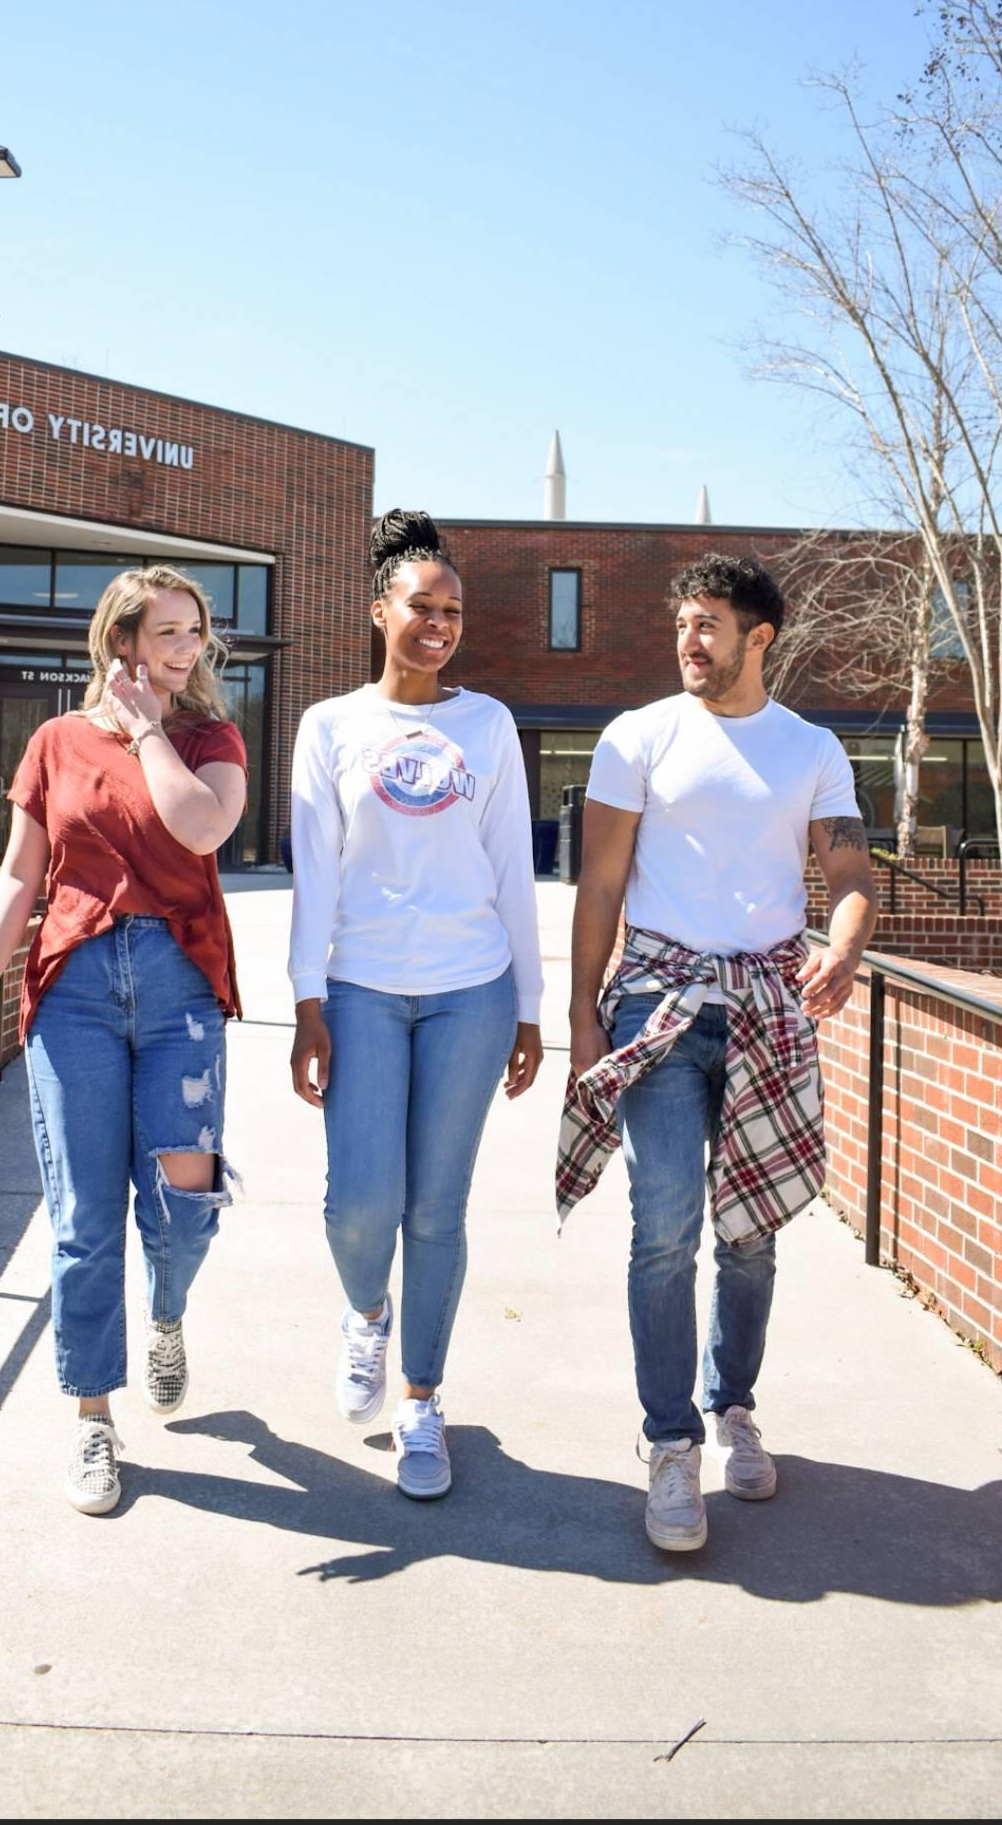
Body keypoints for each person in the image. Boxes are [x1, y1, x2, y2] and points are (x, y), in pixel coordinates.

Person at [563, 552, 877, 1553]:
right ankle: (669, 1443)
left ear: (758, 638)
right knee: (664, 1223)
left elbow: (849, 865)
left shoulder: (811, 748)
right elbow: (601, 887)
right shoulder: (637, 737)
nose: (689, 640)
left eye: (707, 624)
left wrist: (849, 939)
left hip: (769, 1009)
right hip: (657, 1001)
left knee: (751, 1234)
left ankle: (732, 1403)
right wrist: (581, 1014)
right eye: (681, 623)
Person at [0, 565, 248, 1516]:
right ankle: (92, 1421)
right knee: (81, 1219)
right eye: (167, 632)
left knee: (183, 1202)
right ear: (122, 642)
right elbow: (21, 874)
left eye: (195, 631)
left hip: (178, 989)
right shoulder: (57, 742)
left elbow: (202, 826)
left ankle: (166, 1313)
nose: (188, 647)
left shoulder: (207, 738)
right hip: (73, 985)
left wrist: (149, 724)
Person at [289, 510, 544, 1499]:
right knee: (361, 1206)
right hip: (360, 989)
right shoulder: (330, 727)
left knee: (437, 1208)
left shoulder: (486, 725)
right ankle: (365, 1314)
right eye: (420, 607)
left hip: (469, 992)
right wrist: (307, 999)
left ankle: (422, 1403)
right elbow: (314, 872)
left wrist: (529, 1007)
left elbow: (513, 869)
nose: (438, 625)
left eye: (453, 611)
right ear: (378, 610)